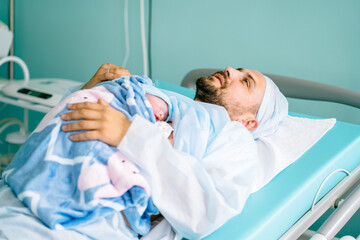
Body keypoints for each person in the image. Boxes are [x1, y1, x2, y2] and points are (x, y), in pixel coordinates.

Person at [58, 63, 288, 239]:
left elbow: (202, 211)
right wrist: (95, 90)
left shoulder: (234, 139)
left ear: (248, 123)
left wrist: (128, 134)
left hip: (80, 222)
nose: (229, 70)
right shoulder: (160, 98)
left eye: (245, 82)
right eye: (237, 69)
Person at [2, 75, 175, 236]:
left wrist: (131, 133)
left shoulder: (168, 135)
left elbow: (166, 184)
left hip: (77, 218)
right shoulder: (112, 99)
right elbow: (61, 124)